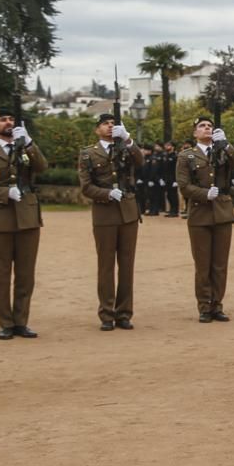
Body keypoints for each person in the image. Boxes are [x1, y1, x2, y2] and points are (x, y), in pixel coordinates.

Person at [0, 108, 49, 340]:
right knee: (2, 274)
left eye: (11, 119)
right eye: (2, 119)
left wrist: (28, 142)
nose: (8, 123)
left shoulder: (24, 147)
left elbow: (42, 167)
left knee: (26, 274)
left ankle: (21, 322)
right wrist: (6, 193)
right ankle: (5, 322)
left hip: (27, 218)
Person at [78, 113, 144, 331]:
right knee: (106, 266)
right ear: (97, 130)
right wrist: (106, 193)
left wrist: (127, 138)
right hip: (105, 213)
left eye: (113, 124)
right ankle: (107, 313)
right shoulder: (88, 154)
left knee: (127, 266)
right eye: (105, 124)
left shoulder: (125, 148)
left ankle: (124, 313)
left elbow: (140, 161)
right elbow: (86, 187)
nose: (110, 127)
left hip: (128, 213)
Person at [176, 117, 234, 323]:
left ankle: (217, 305)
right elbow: (184, 185)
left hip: (222, 211)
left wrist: (226, 144)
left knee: (220, 264)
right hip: (200, 213)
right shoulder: (186, 156)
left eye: (210, 126)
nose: (207, 128)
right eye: (202, 126)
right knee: (203, 263)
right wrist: (204, 194)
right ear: (195, 133)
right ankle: (204, 306)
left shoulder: (222, 150)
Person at [163, 141, 180, 217]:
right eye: (166, 145)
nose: (166, 147)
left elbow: (177, 169)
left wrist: (176, 180)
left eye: (168, 145)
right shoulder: (166, 156)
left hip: (173, 179)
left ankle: (175, 211)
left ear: (173, 147)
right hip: (167, 178)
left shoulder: (175, 156)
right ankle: (171, 210)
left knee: (173, 195)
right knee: (169, 195)